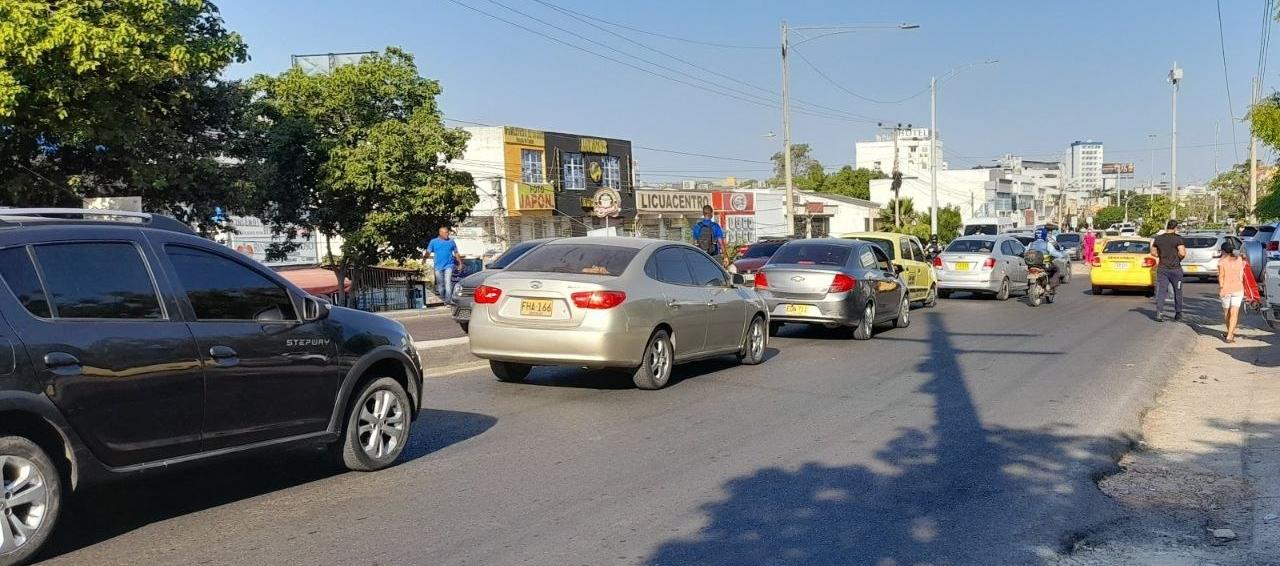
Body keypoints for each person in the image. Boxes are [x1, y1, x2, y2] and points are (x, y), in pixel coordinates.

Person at [1150, 219, 1187, 322]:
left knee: (1161, 291)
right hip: (1176, 269)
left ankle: (1159, 313)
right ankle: (1178, 313)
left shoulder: (1158, 238)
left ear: (1167, 226)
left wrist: (1162, 256)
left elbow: (1153, 252)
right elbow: (1182, 253)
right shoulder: (1178, 238)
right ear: (1175, 228)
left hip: (1162, 268)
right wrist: (1178, 259)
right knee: (1178, 291)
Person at [1217, 240, 1247, 342]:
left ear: (1223, 251)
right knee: (1234, 313)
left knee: (1227, 313)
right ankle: (1230, 335)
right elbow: (1245, 263)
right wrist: (1242, 256)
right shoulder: (1239, 260)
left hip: (1226, 289)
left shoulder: (1221, 262)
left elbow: (1221, 276)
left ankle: (1229, 333)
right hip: (1238, 289)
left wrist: (1221, 288)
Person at [425, 226, 462, 305]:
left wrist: (460, 263)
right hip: (438, 266)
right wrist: (424, 259)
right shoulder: (433, 242)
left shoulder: (451, 242)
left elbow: (456, 253)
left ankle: (448, 301)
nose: (447, 234)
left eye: (447, 232)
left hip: (449, 265)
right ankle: (443, 298)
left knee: (448, 283)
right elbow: (428, 252)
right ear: (440, 233)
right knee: (440, 286)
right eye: (445, 233)